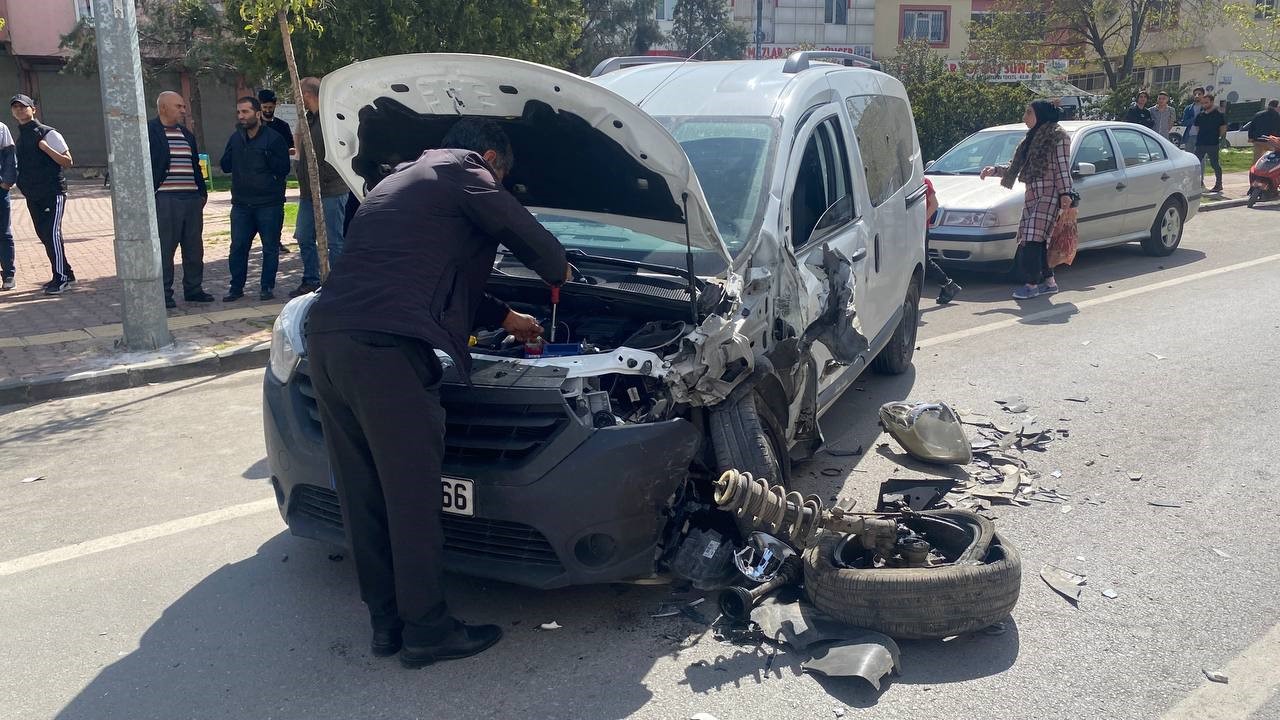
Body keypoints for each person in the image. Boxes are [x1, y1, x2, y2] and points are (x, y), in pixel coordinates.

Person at [305, 118, 570, 670]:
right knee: (411, 496)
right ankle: (427, 630)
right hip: (385, 351)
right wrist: (561, 268)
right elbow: (531, 240)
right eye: (503, 175)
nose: (498, 183)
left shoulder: (400, 180)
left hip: (328, 340)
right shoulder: (464, 170)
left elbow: (431, 277)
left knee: (365, 493)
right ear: (491, 157)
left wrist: (509, 317)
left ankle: (386, 625)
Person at [980, 100, 1075, 299]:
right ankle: (1049, 282)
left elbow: (1062, 167)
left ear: (1040, 114)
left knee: (1031, 238)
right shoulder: (1031, 137)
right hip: (1032, 194)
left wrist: (1066, 193)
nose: (1025, 117)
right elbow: (1019, 167)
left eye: (1028, 113)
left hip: (1049, 194)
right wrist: (995, 170)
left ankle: (1031, 284)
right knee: (1036, 240)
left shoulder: (1059, 136)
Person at [220, 96, 290, 301]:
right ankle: (236, 287)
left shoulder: (274, 138)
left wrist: (267, 157)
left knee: (270, 248)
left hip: (269, 204)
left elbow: (283, 169)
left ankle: (266, 287)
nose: (241, 116)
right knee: (238, 247)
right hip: (242, 204)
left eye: (246, 112)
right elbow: (225, 166)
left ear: (257, 114)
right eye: (239, 112)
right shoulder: (235, 138)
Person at [148, 91, 213, 309]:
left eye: (184, 106)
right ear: (163, 108)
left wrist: (201, 193)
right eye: (179, 106)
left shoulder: (187, 135)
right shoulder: (149, 132)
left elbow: (195, 166)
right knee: (166, 247)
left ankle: (194, 289)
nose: (183, 111)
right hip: (166, 198)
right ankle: (164, 293)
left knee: (194, 247)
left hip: (191, 198)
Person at [289, 76, 349, 298]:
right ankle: (311, 279)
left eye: (298, 94)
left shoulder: (330, 118)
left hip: (332, 190)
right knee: (304, 236)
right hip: (308, 193)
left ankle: (339, 283)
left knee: (334, 240)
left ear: (306, 94)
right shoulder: (308, 120)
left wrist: (327, 177)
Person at [10, 94, 76, 295]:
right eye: (16, 107)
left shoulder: (47, 133)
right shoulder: (21, 137)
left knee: (52, 233)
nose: (20, 110)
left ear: (33, 109)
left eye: (23, 107)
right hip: (33, 194)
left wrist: (46, 149)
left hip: (53, 192)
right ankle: (66, 272)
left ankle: (61, 278)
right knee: (44, 235)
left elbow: (68, 161)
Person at [922, 177, 961, 304]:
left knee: (923, 260)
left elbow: (934, 204)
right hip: (907, 229)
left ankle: (949, 285)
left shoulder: (924, 182)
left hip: (919, 229)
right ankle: (949, 285)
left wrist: (921, 222)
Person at [1193, 93, 1227, 194]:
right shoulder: (1200, 115)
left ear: (1212, 102)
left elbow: (1223, 128)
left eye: (1206, 102)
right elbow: (1197, 128)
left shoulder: (1219, 115)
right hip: (1200, 143)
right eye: (1203, 103)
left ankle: (1218, 184)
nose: (1204, 104)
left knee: (1214, 164)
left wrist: (1216, 137)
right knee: (1195, 163)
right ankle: (1197, 183)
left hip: (1213, 143)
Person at [0, 118, 15, 291]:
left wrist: (7, 182)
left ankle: (9, 274)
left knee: (3, 233)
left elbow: (10, 155)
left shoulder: (1, 128)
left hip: (0, 191)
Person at [257, 89, 295, 154]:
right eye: (265, 107)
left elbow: (292, 149)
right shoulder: (254, 125)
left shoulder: (283, 126)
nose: (267, 110)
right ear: (260, 106)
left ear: (275, 106)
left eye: (270, 107)